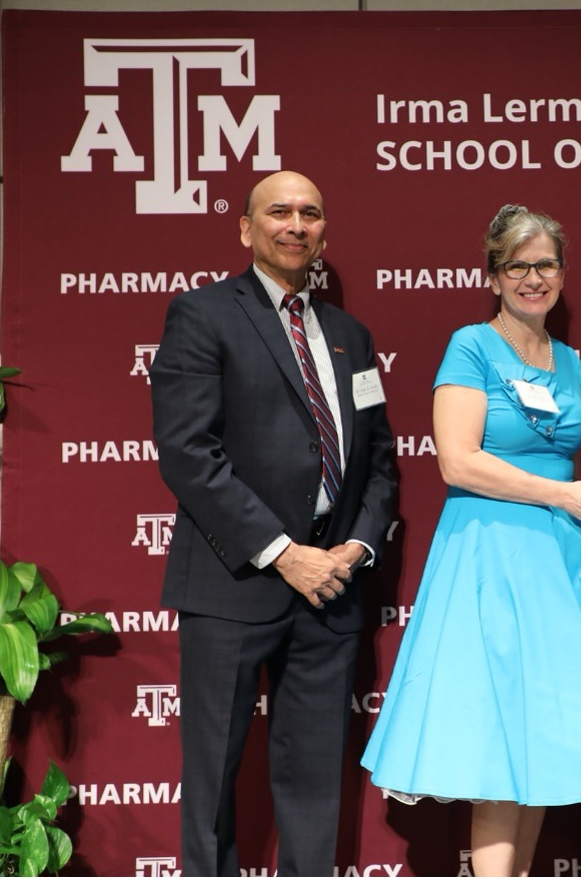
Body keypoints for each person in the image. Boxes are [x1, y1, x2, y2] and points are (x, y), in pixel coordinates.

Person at [361, 204, 581, 877]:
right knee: (494, 740)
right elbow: (457, 461)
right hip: (489, 548)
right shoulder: (471, 346)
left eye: (545, 265)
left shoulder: (572, 363)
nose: (533, 278)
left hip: (558, 558)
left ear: (565, 274)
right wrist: (564, 494)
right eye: (518, 266)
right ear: (493, 275)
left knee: (538, 740)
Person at [150, 170, 398, 876]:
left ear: (325, 230)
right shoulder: (202, 314)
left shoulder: (351, 335)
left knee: (316, 781)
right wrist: (281, 551)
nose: (296, 225)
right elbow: (188, 455)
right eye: (280, 212)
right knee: (210, 784)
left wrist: (354, 546)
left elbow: (379, 461)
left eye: (311, 213)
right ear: (246, 228)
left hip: (331, 587)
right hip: (234, 581)